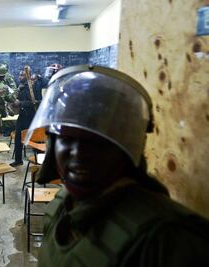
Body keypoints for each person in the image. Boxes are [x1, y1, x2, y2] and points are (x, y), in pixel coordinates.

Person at [25, 65, 209, 266]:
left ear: (125, 146)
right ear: (53, 144)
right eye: (67, 139)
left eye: (94, 142)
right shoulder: (62, 204)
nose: (78, 153)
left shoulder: (168, 238)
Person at [9, 69, 42, 167]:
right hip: (22, 116)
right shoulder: (21, 87)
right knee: (18, 138)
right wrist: (18, 91)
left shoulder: (34, 87)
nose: (20, 77)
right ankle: (18, 160)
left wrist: (21, 103)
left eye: (22, 75)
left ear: (28, 76)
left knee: (35, 139)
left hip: (33, 117)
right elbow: (15, 99)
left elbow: (37, 101)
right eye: (19, 75)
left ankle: (39, 159)